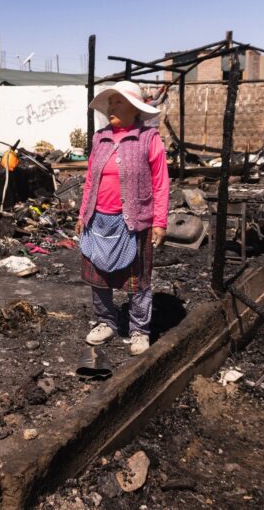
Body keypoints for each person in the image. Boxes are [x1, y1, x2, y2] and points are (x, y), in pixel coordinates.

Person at [75, 81, 169, 356]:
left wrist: (160, 221)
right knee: (98, 278)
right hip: (98, 219)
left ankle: (139, 329)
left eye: (118, 102)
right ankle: (106, 322)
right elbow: (90, 179)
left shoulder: (148, 138)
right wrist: (83, 214)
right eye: (110, 103)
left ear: (134, 109)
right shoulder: (100, 138)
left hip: (134, 220)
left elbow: (161, 183)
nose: (112, 107)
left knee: (138, 279)